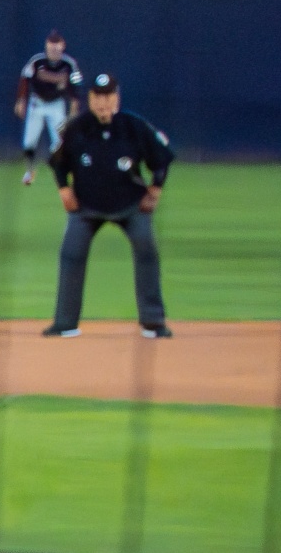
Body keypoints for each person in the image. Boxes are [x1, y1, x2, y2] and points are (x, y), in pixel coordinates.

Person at [45, 73, 175, 339]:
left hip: (131, 205)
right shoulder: (76, 128)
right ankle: (65, 323)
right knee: (71, 254)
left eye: (109, 96)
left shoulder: (134, 126)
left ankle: (153, 322)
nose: (103, 102)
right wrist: (64, 189)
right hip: (86, 207)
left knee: (147, 251)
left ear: (117, 99)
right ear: (91, 99)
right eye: (98, 97)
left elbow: (162, 159)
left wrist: (156, 189)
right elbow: (57, 162)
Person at [15, 30, 84, 185]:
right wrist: (21, 100)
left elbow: (76, 85)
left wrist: (74, 105)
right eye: (51, 46)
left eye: (56, 46)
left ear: (62, 46)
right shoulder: (37, 61)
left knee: (60, 143)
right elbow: (25, 79)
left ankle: (63, 171)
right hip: (37, 103)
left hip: (56, 105)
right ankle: (30, 171)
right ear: (46, 46)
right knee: (29, 142)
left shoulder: (69, 64)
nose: (54, 50)